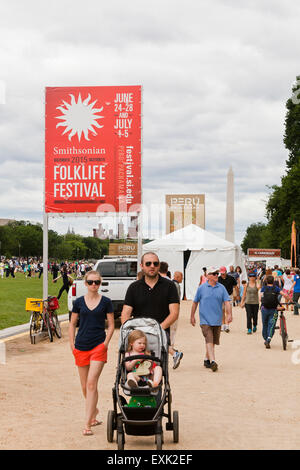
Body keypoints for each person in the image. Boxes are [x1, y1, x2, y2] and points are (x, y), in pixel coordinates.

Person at [69, 270, 114, 436]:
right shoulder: (79, 302)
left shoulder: (106, 302)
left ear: (100, 283)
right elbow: (72, 324)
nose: (94, 285)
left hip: (98, 347)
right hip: (81, 346)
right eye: (90, 282)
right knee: (84, 386)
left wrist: (105, 344)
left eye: (97, 282)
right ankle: (94, 412)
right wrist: (71, 345)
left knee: (91, 384)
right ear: (85, 283)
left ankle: (87, 424)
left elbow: (110, 325)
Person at [121, 252, 180, 354]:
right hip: (138, 337)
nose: (152, 266)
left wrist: (157, 329)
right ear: (142, 266)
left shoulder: (169, 286)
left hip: (160, 334)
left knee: (158, 368)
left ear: (159, 266)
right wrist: (130, 333)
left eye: (155, 263)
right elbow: (125, 313)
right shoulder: (133, 288)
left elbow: (174, 313)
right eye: (148, 264)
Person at [190, 266, 232, 372]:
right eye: (213, 274)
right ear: (208, 276)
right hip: (205, 320)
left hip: (217, 320)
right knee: (209, 338)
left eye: (217, 274)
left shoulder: (221, 288)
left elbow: (227, 301)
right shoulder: (201, 288)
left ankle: (206, 359)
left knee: (212, 341)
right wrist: (192, 316)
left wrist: (229, 314)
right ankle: (213, 361)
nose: (216, 275)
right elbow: (195, 302)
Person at [158, 261, 183, 369]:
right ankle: (173, 354)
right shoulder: (171, 284)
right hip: (171, 314)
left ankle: (173, 355)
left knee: (163, 337)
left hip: (163, 314)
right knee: (169, 335)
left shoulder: (161, 283)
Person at [259, 275, 288, 348]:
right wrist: (290, 300)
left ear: (266, 281)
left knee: (265, 324)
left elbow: (260, 298)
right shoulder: (276, 288)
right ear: (273, 281)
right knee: (272, 324)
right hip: (274, 310)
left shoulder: (264, 288)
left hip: (264, 309)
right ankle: (268, 339)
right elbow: (284, 294)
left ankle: (265, 338)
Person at [218, 266, 236, 332]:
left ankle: (227, 325)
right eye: (221, 273)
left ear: (226, 272)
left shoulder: (231, 278)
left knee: (228, 311)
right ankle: (223, 325)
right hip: (221, 296)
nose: (222, 274)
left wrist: (236, 295)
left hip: (229, 296)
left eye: (223, 273)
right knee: (222, 311)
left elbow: (235, 286)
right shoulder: (218, 279)